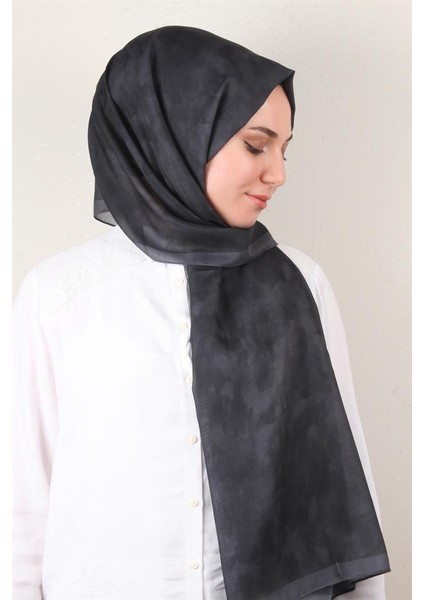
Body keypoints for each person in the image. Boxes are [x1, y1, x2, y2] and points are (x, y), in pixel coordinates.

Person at [13, 26, 390, 600]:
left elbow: (343, 475)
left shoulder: (301, 282)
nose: (279, 174)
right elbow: (22, 501)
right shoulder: (60, 293)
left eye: (284, 150)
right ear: (174, 132)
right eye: (257, 145)